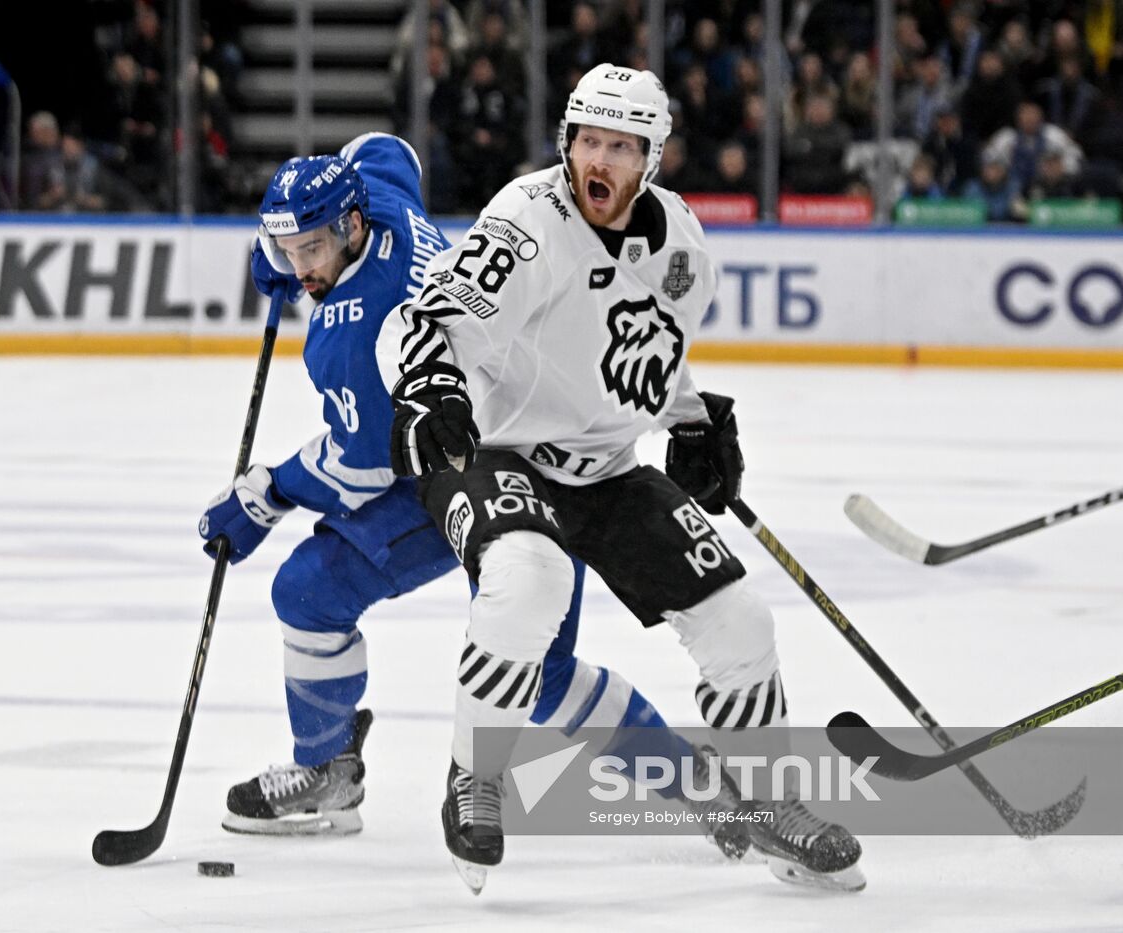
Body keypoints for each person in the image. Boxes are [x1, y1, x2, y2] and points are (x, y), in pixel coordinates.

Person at [376, 64, 866, 893]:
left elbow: (640, 351)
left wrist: (691, 419)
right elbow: (431, 321)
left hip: (605, 469)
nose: (596, 161)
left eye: (619, 146)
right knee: (526, 584)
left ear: (652, 158)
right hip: (499, 452)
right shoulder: (527, 223)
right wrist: (429, 390)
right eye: (586, 141)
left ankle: (774, 803)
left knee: (740, 621)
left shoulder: (681, 243)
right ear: (566, 143)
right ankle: (475, 772)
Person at [199, 134, 742, 868]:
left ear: (352, 227)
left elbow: (359, 471)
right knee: (544, 672)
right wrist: (289, 249)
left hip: (461, 461)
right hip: (542, 439)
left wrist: (266, 492)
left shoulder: (359, 339)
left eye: (313, 250)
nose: (301, 268)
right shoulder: (382, 198)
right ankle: (697, 783)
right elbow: (386, 148)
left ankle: (328, 773)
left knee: (309, 590)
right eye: (287, 249)